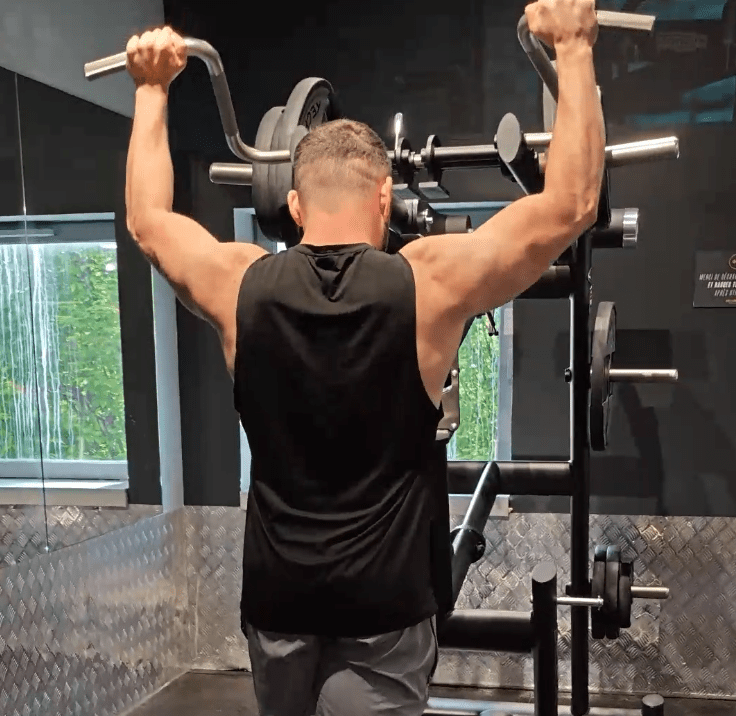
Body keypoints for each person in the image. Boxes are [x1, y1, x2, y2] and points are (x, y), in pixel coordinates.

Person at [124, 0, 604, 713]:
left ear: (294, 205)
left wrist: (151, 88)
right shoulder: (429, 283)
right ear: (385, 196)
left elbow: (148, 223)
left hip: (279, 603)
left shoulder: (238, 284)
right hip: (385, 610)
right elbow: (571, 205)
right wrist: (574, 48)